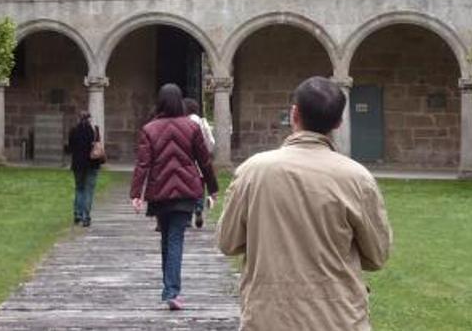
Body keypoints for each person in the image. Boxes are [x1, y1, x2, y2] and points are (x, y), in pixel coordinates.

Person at [218, 76, 392, 331]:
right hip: (339, 318)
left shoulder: (253, 172)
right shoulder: (357, 178)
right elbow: (377, 255)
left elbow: (228, 242)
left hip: (269, 318)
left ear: (294, 114)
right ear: (338, 122)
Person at [131, 84, 219, 311]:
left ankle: (169, 288)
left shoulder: (149, 129)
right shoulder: (191, 127)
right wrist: (212, 187)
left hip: (159, 192)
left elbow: (143, 164)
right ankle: (172, 291)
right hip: (185, 190)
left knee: (166, 239)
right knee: (175, 239)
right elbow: (204, 160)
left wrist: (136, 194)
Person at [65, 111, 102, 227]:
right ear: (89, 119)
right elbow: (98, 146)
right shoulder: (94, 131)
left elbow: (70, 148)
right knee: (88, 191)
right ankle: (86, 216)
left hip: (78, 165)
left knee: (79, 189)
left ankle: (77, 214)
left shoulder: (73, 131)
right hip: (92, 164)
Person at [184, 98, 215, 229]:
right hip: (202, 160)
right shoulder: (203, 122)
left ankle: (187, 215)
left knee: (186, 187)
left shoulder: (185, 123)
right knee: (200, 188)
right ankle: (198, 208)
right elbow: (211, 142)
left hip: (188, 160)